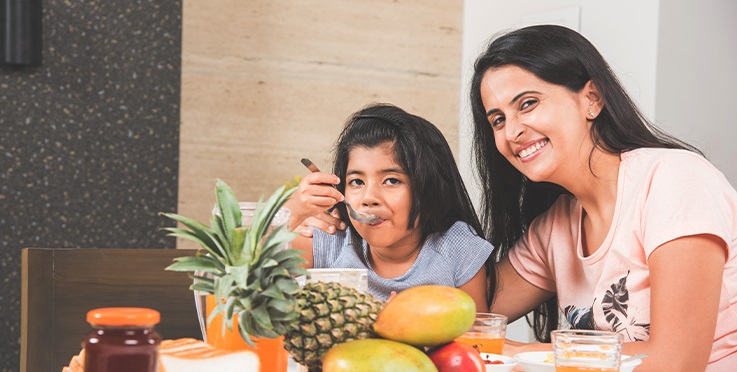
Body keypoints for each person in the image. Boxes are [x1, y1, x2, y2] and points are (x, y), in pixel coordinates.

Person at [469, 24, 737, 370]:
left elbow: (678, 362)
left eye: (528, 104)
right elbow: (467, 318)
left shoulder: (673, 179)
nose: (513, 131)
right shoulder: (556, 226)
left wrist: (522, 353)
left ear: (591, 99)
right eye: (498, 120)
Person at [284, 103, 493, 311]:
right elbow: (253, 281)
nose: (369, 198)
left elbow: (476, 339)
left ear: (428, 187)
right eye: (357, 182)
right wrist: (290, 213)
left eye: (392, 181)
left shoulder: (458, 251)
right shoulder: (328, 240)